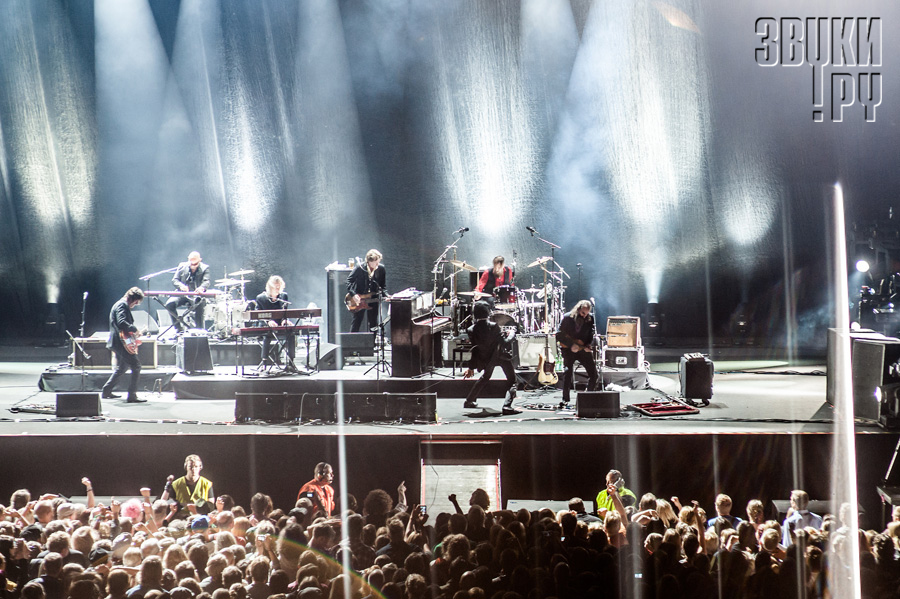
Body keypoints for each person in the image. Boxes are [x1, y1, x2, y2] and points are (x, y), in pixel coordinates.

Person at [462, 301, 520, 415]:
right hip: (499, 356)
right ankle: (507, 406)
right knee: (512, 382)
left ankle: (469, 401)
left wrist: (471, 367)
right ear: (488, 313)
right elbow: (504, 343)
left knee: (485, 378)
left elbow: (475, 349)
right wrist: (512, 333)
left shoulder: (470, 330)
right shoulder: (493, 326)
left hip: (486, 359)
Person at [101, 287, 146, 403]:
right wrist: (135, 329)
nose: (135, 305)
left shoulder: (119, 304)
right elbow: (121, 323)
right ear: (133, 299)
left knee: (123, 367)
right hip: (120, 342)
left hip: (117, 342)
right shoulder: (122, 305)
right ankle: (132, 395)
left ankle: (107, 390)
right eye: (136, 303)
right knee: (136, 366)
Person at [556, 299, 599, 408]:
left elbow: (590, 334)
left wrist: (588, 345)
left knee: (594, 373)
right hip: (568, 349)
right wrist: (571, 345)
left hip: (582, 349)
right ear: (578, 310)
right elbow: (559, 335)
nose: (585, 316)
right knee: (567, 372)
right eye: (583, 313)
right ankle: (565, 399)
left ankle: (588, 396)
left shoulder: (590, 319)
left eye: (587, 313)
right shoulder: (567, 317)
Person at [253, 275, 295, 369]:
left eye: (279, 286)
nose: (277, 289)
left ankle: (291, 361)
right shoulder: (261, 298)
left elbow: (284, 313)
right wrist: (268, 322)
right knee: (268, 335)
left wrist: (285, 320)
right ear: (270, 287)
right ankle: (264, 361)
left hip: (279, 326)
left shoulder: (283, 296)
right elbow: (257, 315)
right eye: (275, 287)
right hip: (266, 327)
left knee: (291, 334)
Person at [166, 251, 211, 332]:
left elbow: (206, 281)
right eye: (191, 263)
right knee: (169, 304)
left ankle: (199, 330)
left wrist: (201, 288)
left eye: (195, 264)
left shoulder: (205, 268)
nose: (192, 266)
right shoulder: (182, 266)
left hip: (196, 295)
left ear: (200, 260)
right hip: (182, 294)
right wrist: (181, 286)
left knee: (199, 306)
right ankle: (178, 328)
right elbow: (175, 280)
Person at [161, 454, 214, 518]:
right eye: (191, 467)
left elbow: (211, 505)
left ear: (200, 467)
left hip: (200, 518)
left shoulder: (207, 484)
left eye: (196, 466)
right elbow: (170, 503)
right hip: (181, 518)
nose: (193, 469)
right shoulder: (176, 484)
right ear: (186, 467)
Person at [346, 249, 386, 333]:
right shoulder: (359, 268)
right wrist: (354, 294)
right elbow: (349, 281)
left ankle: (372, 344)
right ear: (369, 261)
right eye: (376, 263)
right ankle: (352, 343)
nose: (377, 264)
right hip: (359, 300)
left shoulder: (381, 269)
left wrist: (387, 296)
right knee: (356, 322)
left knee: (373, 324)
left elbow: (382, 286)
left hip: (373, 299)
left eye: (378, 262)